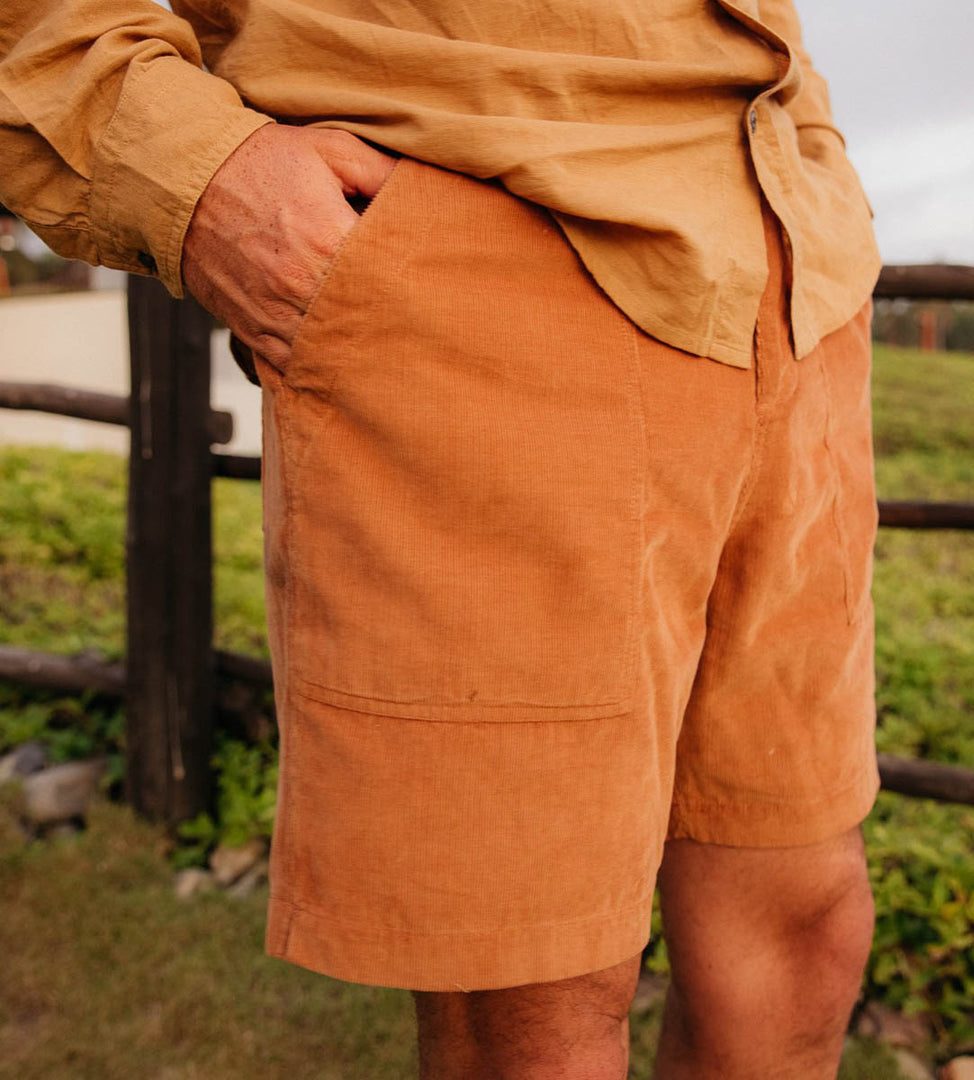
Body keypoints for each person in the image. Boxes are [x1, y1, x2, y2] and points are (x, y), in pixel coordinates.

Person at [0, 1, 883, 1075]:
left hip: (788, 264)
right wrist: (194, 174)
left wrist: (817, 161)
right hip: (489, 242)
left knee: (805, 939)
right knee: (536, 1011)